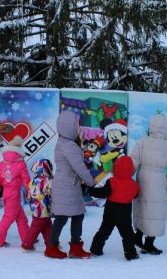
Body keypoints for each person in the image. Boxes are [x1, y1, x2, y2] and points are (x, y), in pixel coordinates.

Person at [130, 114, 167, 255]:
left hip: (142, 179)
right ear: (165, 129)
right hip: (157, 182)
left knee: (142, 209)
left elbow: (132, 163)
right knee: (155, 211)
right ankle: (149, 244)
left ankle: (138, 237)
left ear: (151, 127)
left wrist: (121, 178)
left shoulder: (142, 142)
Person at [45, 111, 95, 259]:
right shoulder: (69, 146)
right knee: (73, 216)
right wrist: (91, 182)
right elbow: (79, 167)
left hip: (65, 184)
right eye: (77, 126)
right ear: (69, 127)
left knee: (65, 217)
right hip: (68, 186)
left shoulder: (62, 142)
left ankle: (56, 246)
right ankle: (68, 247)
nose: (78, 129)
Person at [88, 156, 140, 261]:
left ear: (116, 167)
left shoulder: (112, 181)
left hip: (111, 211)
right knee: (127, 234)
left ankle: (96, 249)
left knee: (104, 231)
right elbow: (135, 195)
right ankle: (131, 254)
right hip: (125, 212)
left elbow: (103, 193)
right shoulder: (134, 184)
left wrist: (91, 190)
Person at [0, 137, 30, 247]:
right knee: (8, 218)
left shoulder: (3, 163)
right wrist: (29, 192)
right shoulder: (21, 164)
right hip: (14, 194)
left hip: (6, 194)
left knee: (21, 218)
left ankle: (27, 239)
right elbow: (26, 180)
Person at [21, 158, 54, 252]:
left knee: (48, 227)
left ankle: (51, 244)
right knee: (35, 228)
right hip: (43, 208)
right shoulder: (48, 180)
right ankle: (26, 245)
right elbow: (52, 193)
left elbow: (27, 196)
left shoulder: (32, 181)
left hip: (35, 207)